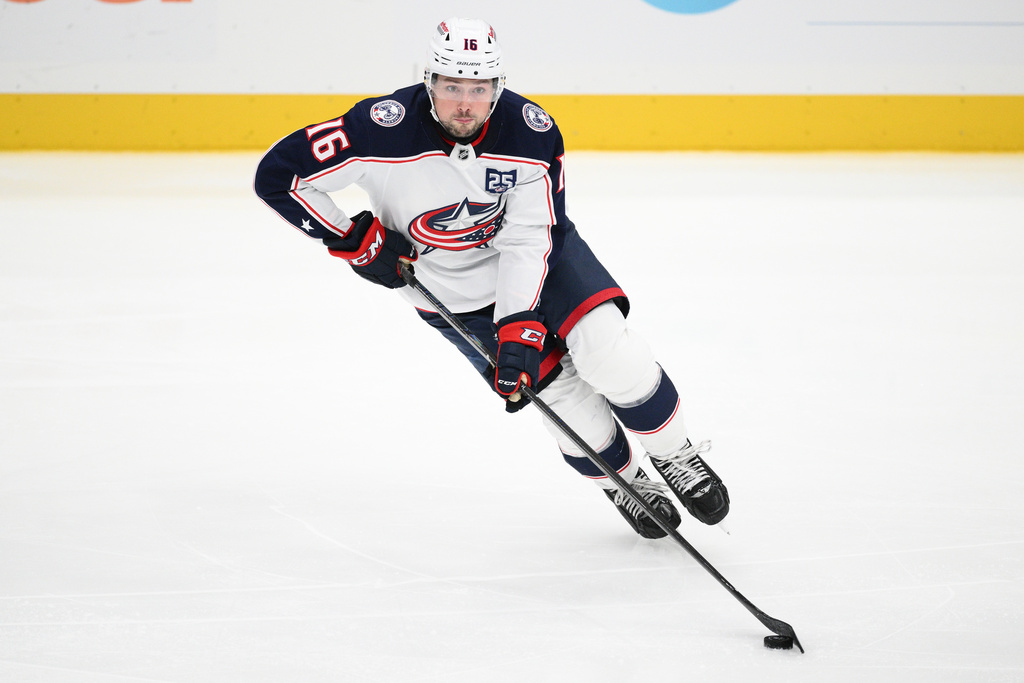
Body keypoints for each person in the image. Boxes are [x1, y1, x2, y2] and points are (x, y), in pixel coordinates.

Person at [253, 17, 729, 538]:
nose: (464, 103)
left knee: (608, 350)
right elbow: (279, 176)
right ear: (429, 81)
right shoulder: (378, 127)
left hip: (543, 260)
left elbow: (530, 237)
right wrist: (354, 239)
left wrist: (518, 321)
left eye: (478, 89)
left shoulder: (530, 130)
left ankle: (675, 454)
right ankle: (628, 481)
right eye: (452, 87)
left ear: (496, 88)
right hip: (444, 286)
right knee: (560, 399)